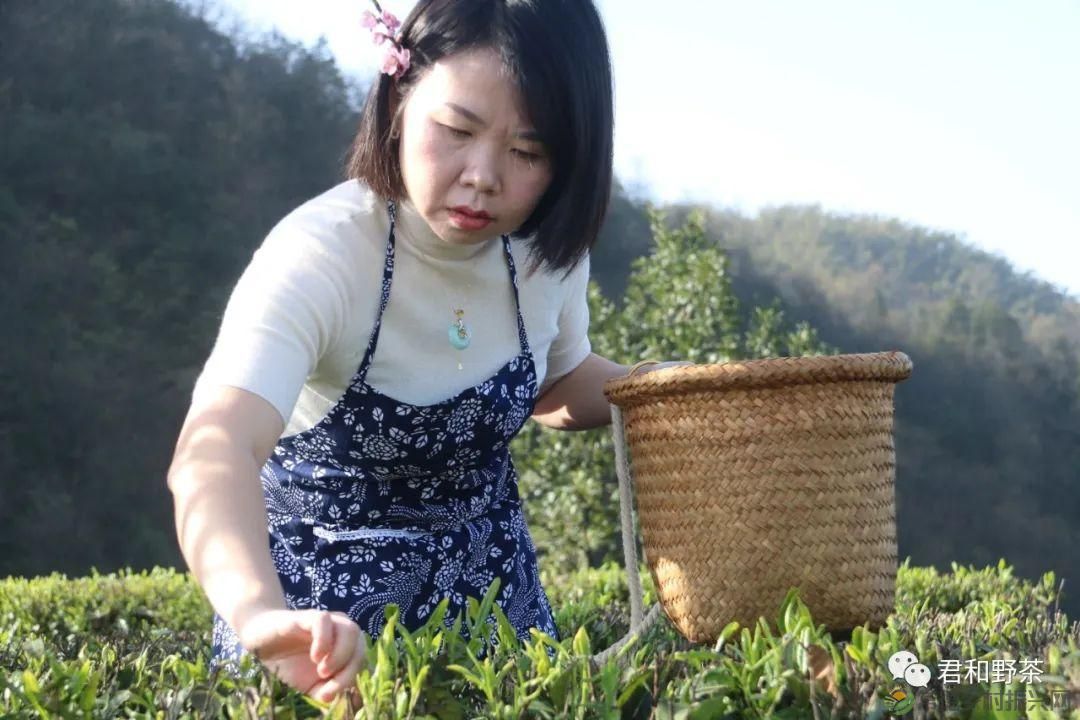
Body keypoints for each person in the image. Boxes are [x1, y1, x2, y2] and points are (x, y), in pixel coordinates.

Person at [166, 0, 686, 705]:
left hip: (497, 622)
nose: (483, 177)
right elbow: (216, 448)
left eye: (528, 152)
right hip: (324, 638)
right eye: (457, 130)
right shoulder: (322, 255)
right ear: (400, 98)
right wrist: (258, 613)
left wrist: (664, 387)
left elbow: (556, 383)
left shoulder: (545, 256)